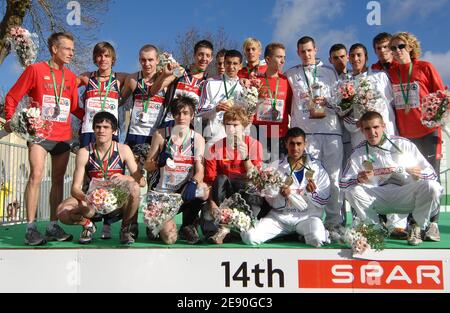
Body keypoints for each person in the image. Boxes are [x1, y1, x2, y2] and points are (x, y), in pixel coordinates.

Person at [4, 32, 83, 246]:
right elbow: (13, 96)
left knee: (57, 181)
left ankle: (52, 225)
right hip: (39, 135)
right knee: (36, 175)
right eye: (67, 48)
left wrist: (93, 120)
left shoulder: (71, 77)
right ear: (54, 49)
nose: (71, 53)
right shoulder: (35, 70)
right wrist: (10, 119)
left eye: (73, 50)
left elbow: (74, 107)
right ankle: (31, 228)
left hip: (63, 137)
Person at [340, 111, 442, 246]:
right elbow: (343, 182)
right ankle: (374, 229)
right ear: (362, 131)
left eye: (376, 127)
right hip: (378, 198)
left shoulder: (404, 144)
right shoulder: (358, 153)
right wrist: (357, 179)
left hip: (405, 195)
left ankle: (416, 225)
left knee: (432, 186)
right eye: (367, 129)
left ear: (383, 126)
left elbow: (432, 174)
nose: (372, 132)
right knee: (352, 191)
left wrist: (419, 173)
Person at [346, 43, 406, 237]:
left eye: (359, 55)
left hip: (385, 136)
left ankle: (396, 225)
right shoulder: (346, 83)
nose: (356, 59)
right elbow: (344, 113)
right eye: (352, 55)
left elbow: (391, 104)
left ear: (366, 57)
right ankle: (368, 223)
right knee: (365, 177)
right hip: (360, 138)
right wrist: (355, 123)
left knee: (393, 174)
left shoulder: (379, 77)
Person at [57, 112, 145, 245]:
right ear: (93, 129)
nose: (101, 130)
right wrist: (85, 198)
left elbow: (142, 182)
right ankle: (87, 225)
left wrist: (126, 177)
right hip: (93, 201)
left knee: (135, 188)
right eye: (98, 127)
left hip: (116, 201)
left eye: (106, 127)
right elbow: (75, 188)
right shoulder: (85, 152)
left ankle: (125, 229)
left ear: (114, 131)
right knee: (62, 212)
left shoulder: (123, 150)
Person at [387, 32, 446, 226]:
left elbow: (443, 95)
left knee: (432, 178)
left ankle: (433, 224)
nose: (397, 51)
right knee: (412, 178)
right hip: (406, 136)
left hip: (428, 133)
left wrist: (436, 117)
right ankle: (415, 224)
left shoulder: (425, 67)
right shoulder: (391, 72)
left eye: (401, 46)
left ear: (410, 47)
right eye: (393, 47)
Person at [285, 36, 343, 230]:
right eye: (302, 51)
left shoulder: (330, 71)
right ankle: (312, 219)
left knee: (334, 178)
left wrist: (328, 102)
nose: (306, 55)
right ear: (298, 53)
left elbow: (341, 99)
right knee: (310, 177)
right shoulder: (291, 73)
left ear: (316, 50)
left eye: (309, 50)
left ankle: (335, 222)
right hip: (307, 135)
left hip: (331, 131)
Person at [242, 127, 330, 247]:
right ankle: (289, 234)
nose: (295, 148)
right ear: (286, 144)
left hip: (307, 218)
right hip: (280, 219)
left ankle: (300, 234)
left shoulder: (317, 168)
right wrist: (281, 195)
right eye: (292, 144)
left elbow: (324, 200)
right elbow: (270, 199)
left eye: (299, 144)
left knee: (317, 238)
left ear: (305, 144)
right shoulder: (275, 168)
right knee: (250, 237)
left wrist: (312, 193)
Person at [144, 95, 208, 244]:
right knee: (170, 239)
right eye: (178, 113)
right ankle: (156, 224)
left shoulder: (197, 139)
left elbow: (200, 171)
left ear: (192, 116)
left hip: (182, 193)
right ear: (173, 115)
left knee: (203, 191)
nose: (181, 117)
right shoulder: (161, 135)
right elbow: (147, 165)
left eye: (185, 113)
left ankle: (188, 225)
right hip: (161, 193)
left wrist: (193, 183)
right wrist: (158, 163)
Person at [201, 106, 264, 244]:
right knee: (221, 179)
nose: (231, 129)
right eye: (228, 125)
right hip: (224, 195)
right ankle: (224, 225)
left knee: (249, 184)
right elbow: (211, 182)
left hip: (246, 194)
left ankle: (240, 224)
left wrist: (246, 157)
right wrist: (211, 203)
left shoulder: (254, 145)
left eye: (235, 125)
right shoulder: (215, 147)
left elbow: (256, 180)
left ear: (244, 126)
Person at [151, 40, 213, 129]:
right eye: (200, 54)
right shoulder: (181, 71)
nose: (204, 58)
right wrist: (164, 75)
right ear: (194, 55)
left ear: (211, 59)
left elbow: (206, 110)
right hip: (171, 121)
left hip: (194, 126)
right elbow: (154, 91)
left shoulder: (209, 81)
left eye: (207, 55)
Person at [78, 42, 127, 148]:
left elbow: (143, 79)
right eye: (99, 55)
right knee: (86, 163)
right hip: (89, 130)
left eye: (107, 56)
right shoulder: (87, 77)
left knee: (108, 164)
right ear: (95, 58)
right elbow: (65, 86)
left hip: (110, 131)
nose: (103, 59)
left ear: (112, 59)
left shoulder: (120, 77)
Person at [252, 43, 292, 161]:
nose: (283, 61)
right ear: (268, 59)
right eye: (279, 57)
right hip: (259, 132)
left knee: (277, 174)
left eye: (284, 57)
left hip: (279, 134)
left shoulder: (286, 81)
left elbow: (290, 108)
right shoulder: (256, 80)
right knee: (258, 173)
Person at [120, 44, 165, 149]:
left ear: (157, 60)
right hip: (135, 132)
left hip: (156, 133)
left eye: (150, 60)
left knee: (152, 165)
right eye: (143, 60)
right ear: (139, 60)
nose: (147, 64)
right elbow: (120, 101)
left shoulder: (165, 79)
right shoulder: (132, 79)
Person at [198, 50, 244, 144]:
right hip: (214, 136)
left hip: (237, 136)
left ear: (240, 66)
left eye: (235, 63)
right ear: (224, 63)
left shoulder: (244, 87)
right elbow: (199, 113)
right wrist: (215, 109)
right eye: (228, 63)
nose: (231, 67)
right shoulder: (210, 83)